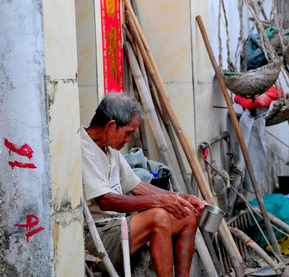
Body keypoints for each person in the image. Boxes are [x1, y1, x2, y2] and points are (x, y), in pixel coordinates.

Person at [81, 92, 206, 277]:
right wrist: (160, 201)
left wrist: (183, 198)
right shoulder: (83, 148)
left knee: (187, 215)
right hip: (96, 236)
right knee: (158, 216)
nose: (128, 140)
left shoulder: (109, 148)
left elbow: (138, 186)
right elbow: (106, 201)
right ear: (111, 126)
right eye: (128, 133)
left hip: (117, 226)